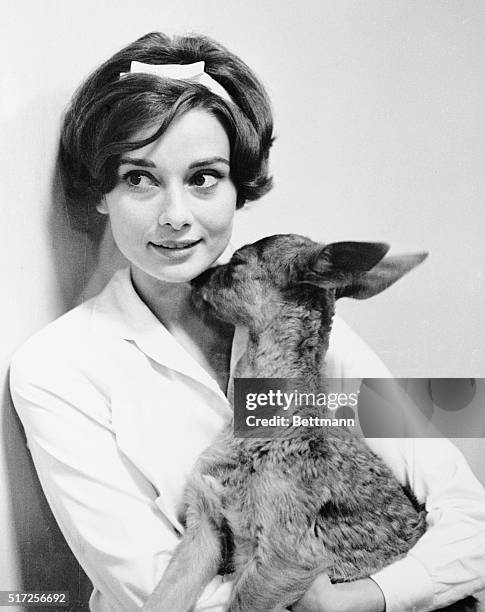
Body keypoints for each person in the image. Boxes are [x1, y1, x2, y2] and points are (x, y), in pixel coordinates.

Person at [9, 31, 485, 612]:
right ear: (102, 193)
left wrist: (369, 597)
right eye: (139, 178)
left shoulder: (310, 327)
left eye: (203, 177)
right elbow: (149, 591)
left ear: (240, 188)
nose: (175, 216)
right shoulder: (58, 369)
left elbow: (472, 521)